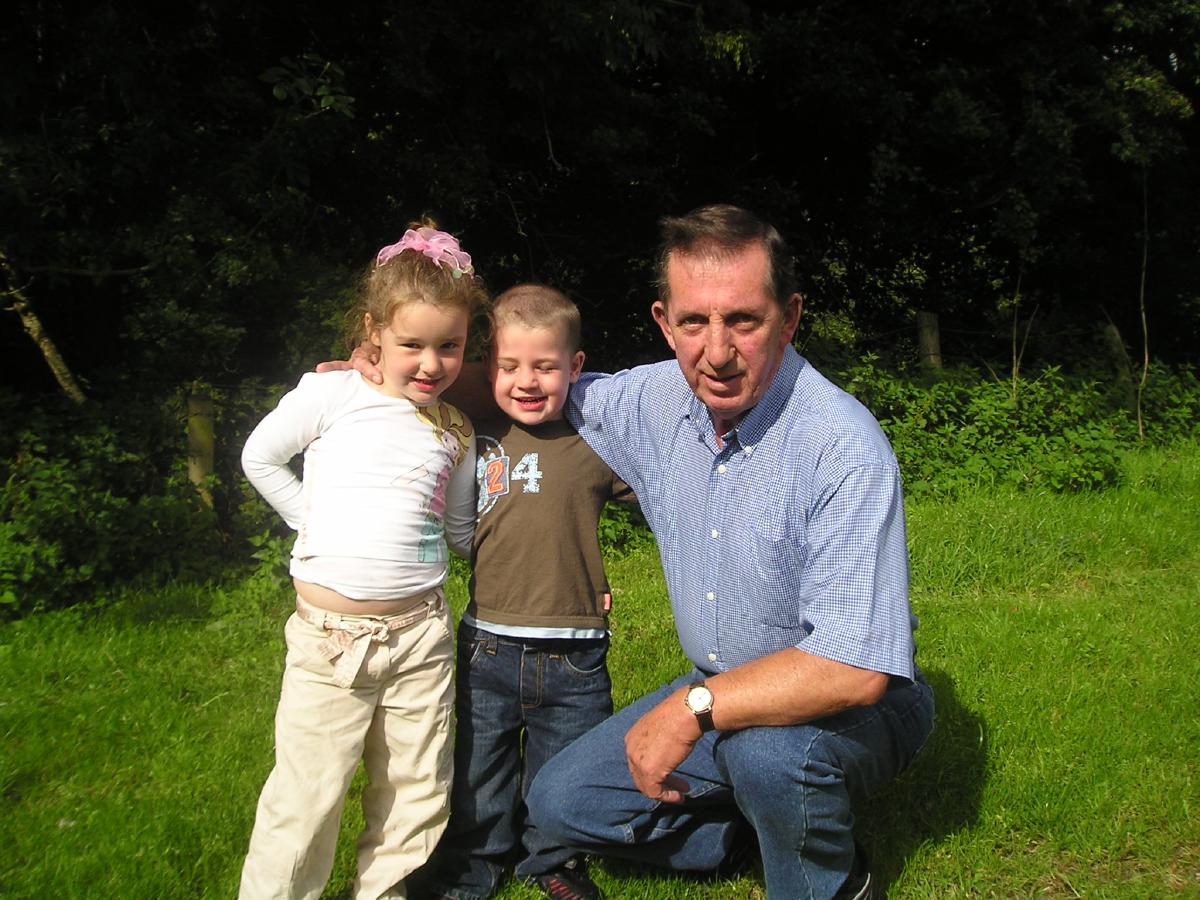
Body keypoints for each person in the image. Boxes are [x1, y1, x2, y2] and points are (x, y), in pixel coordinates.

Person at [336, 204, 935, 900]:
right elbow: (521, 383)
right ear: (663, 322)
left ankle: (832, 880)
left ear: (790, 316)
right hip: (720, 683)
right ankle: (748, 830)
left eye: (743, 320)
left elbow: (853, 668)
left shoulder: (841, 447)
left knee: (769, 753)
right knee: (560, 802)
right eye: (693, 323)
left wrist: (690, 711)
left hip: (855, 706)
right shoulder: (650, 401)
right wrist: (375, 380)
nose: (716, 351)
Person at [239, 224, 485, 900]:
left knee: (416, 790)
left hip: (421, 639)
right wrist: (309, 520)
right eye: (411, 345)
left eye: (449, 347)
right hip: (330, 644)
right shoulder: (333, 394)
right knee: (306, 797)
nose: (431, 364)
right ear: (372, 332)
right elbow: (259, 457)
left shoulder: (455, 429)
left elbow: (461, 531)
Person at [410, 285, 636, 900]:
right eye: (510, 367)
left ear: (577, 368)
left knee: (563, 766)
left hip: (576, 649)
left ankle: (554, 861)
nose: (527, 382)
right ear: (490, 369)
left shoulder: (598, 445)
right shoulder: (474, 433)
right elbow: (408, 390)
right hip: (488, 641)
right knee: (479, 768)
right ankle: (473, 864)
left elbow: (669, 494)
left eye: (545, 367)